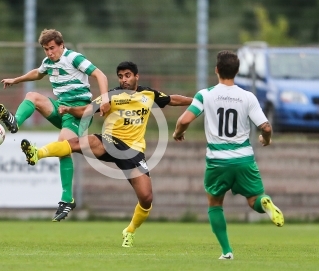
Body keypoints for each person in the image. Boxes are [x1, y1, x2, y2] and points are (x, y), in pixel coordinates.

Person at [20, 61, 193, 247]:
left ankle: (130, 231)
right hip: (110, 142)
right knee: (79, 142)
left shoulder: (148, 94)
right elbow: (86, 111)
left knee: (146, 197)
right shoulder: (110, 96)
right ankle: (37, 153)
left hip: (133, 151)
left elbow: (173, 99)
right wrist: (69, 109)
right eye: (120, 76)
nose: (124, 80)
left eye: (127, 75)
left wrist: (197, 102)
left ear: (136, 76)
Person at [173, 50, 284, 260]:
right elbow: (266, 127)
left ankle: (227, 251)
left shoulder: (205, 94)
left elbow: (184, 120)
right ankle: (266, 202)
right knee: (254, 200)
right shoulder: (247, 97)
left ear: (216, 70)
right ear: (237, 71)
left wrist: (178, 133)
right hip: (243, 159)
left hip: (217, 161)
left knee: (215, 204)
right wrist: (265, 140)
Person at [0, 29, 110, 222]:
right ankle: (15, 122)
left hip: (79, 113)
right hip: (61, 109)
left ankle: (67, 199)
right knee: (32, 96)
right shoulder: (48, 62)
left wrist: (105, 98)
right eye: (46, 49)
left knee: (63, 144)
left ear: (61, 45)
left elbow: (100, 75)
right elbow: (38, 73)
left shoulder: (73, 58)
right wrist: (16, 80)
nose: (50, 53)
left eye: (52, 48)